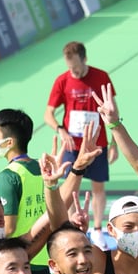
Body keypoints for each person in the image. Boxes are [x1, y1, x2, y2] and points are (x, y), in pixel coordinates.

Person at [45, 42, 117, 248]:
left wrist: (114, 142)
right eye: (70, 68)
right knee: (68, 187)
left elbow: (113, 110)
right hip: (72, 145)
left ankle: (96, 230)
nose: (74, 72)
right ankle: (68, 228)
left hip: (96, 143)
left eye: (76, 67)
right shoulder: (63, 80)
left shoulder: (101, 77)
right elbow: (48, 113)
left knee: (98, 187)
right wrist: (61, 130)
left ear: (84, 59)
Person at [0, 109, 51, 274]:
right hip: (44, 262)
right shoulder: (45, 170)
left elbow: (7, 228)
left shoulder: (8, 177)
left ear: (9, 142)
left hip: (17, 266)